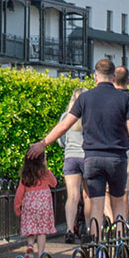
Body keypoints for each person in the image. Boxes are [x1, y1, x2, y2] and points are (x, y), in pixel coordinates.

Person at [29, 56, 129, 236]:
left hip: (92, 158)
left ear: (95, 77)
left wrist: (43, 143)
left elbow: (64, 125)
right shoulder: (125, 100)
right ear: (113, 77)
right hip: (117, 158)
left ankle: (98, 248)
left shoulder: (85, 98)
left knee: (96, 204)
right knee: (118, 202)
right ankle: (118, 243)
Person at [13, 148, 57, 258]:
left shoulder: (25, 175)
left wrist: (17, 207)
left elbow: (20, 192)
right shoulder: (45, 173)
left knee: (31, 228)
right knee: (42, 231)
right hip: (43, 205)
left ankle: (30, 245)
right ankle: (41, 255)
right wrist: (47, 169)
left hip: (29, 204)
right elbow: (54, 183)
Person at [56, 87, 88, 244]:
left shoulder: (65, 117)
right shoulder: (90, 116)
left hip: (71, 157)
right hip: (87, 157)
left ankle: (69, 229)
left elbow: (60, 140)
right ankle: (89, 228)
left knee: (73, 196)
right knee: (89, 196)